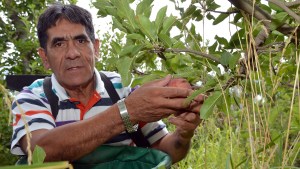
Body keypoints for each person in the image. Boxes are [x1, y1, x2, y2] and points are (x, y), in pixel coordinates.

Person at [10, 3, 204, 165]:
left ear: (95, 48)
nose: (72, 53)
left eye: (80, 40)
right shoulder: (32, 97)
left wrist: (184, 134)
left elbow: (166, 151)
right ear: (44, 57)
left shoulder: (123, 88)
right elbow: (41, 152)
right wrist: (128, 112)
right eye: (59, 44)